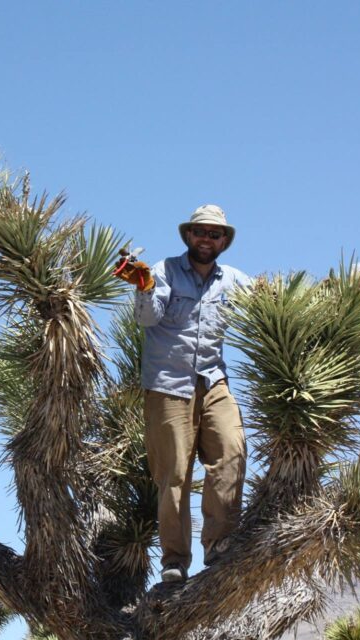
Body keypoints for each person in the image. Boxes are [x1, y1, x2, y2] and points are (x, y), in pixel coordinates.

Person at [114, 204, 250, 583]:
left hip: (214, 381)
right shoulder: (164, 271)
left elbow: (266, 304)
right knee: (173, 475)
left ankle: (219, 545)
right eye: (200, 231)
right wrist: (144, 287)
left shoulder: (233, 280)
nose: (206, 239)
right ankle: (175, 560)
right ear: (189, 235)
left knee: (231, 452)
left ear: (223, 241)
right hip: (168, 385)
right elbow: (147, 317)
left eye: (214, 234)